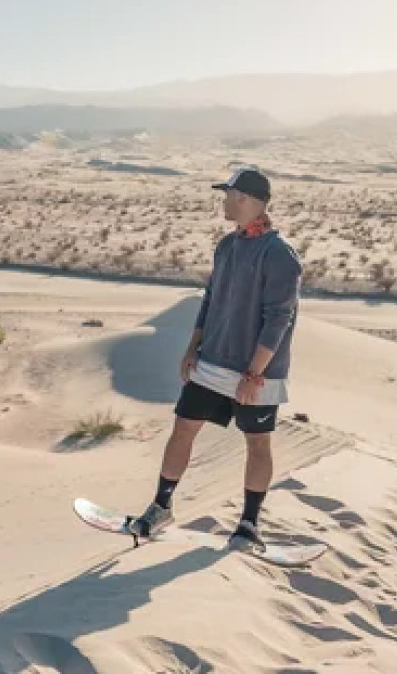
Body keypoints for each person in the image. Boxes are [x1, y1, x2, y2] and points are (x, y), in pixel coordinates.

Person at [129, 165, 302, 551]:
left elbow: (279, 318)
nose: (223, 201)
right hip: (212, 362)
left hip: (257, 373)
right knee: (183, 428)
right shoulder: (227, 245)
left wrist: (254, 372)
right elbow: (210, 301)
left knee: (258, 443)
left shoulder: (280, 255)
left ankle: (248, 524)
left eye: (228, 195)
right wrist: (192, 348)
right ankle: (161, 506)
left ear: (246, 200)